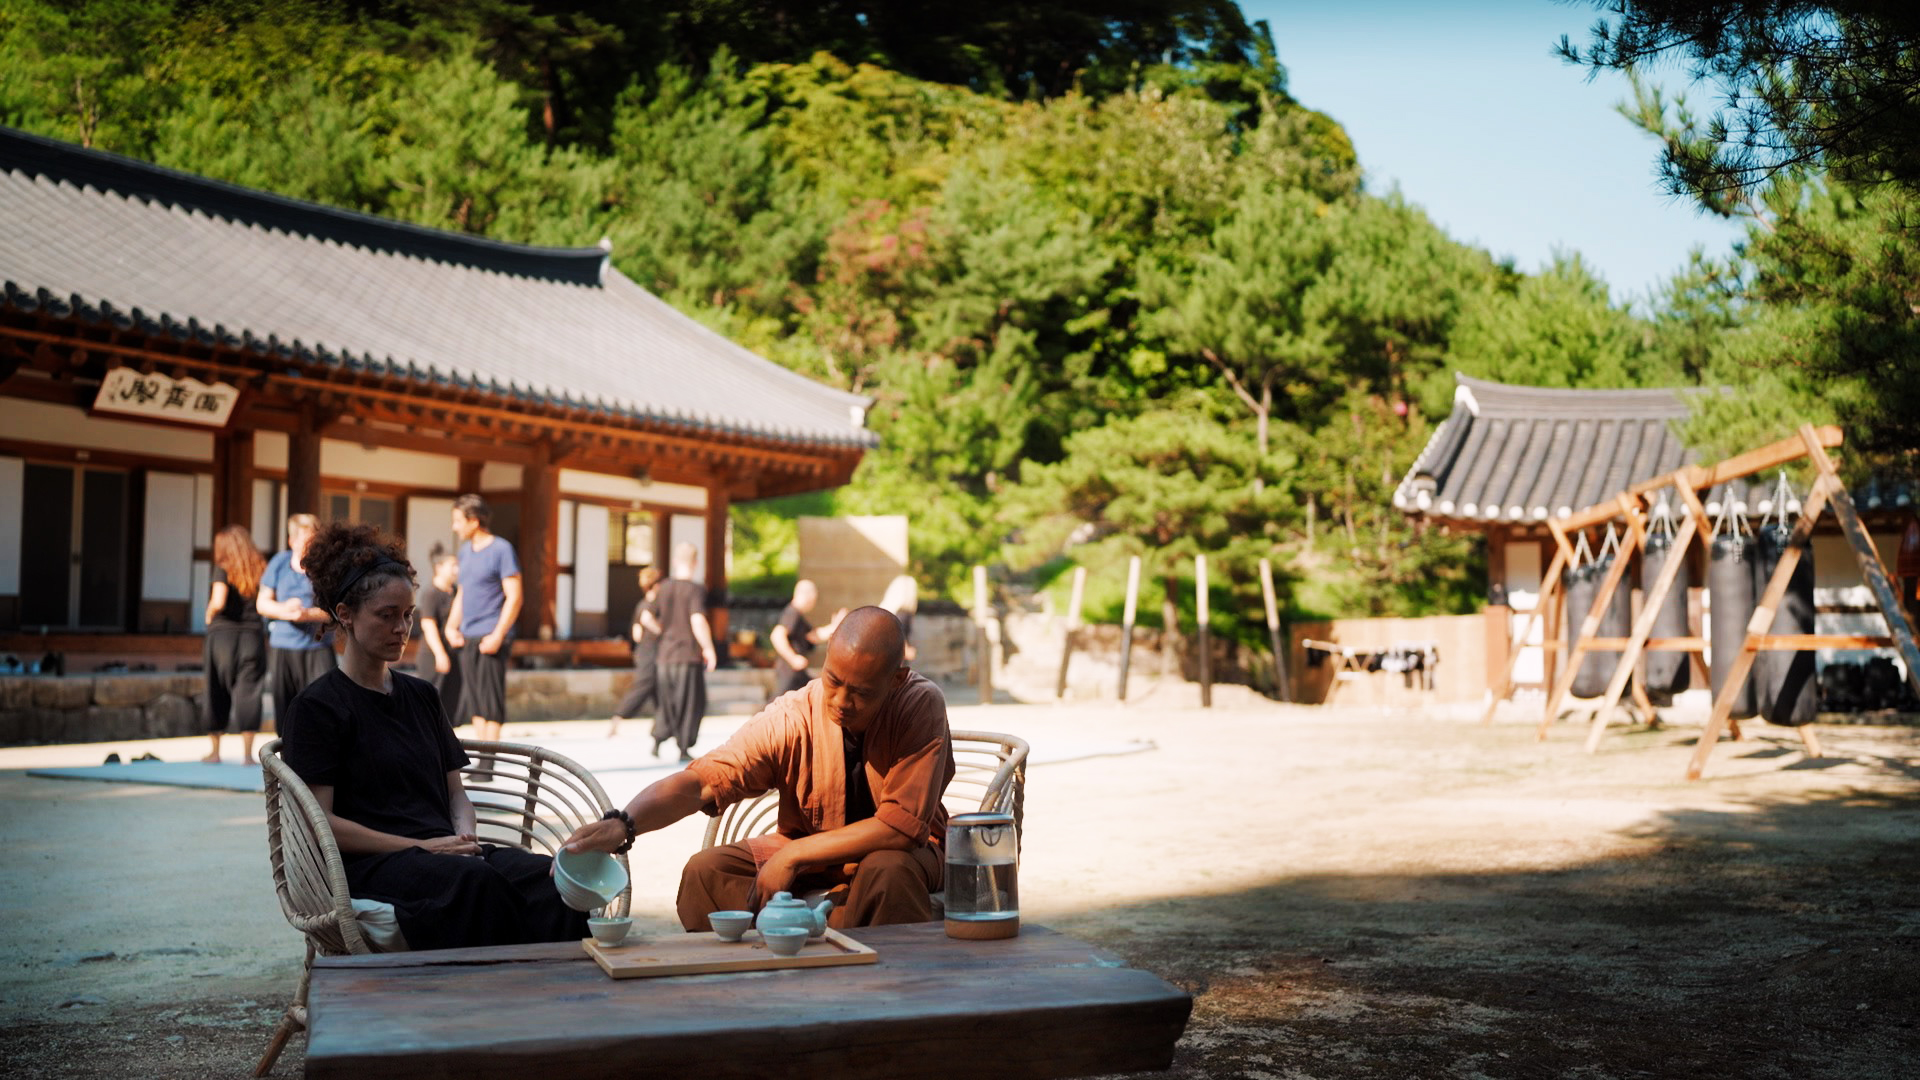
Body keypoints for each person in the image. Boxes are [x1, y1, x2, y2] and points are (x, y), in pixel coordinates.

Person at [279, 522, 587, 951]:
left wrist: (464, 838)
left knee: (548, 877)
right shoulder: (318, 708)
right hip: (373, 863)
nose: (401, 628)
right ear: (345, 614)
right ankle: (485, 1002)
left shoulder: (421, 695)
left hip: (442, 852)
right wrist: (421, 847)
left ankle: (557, 1001)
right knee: (474, 884)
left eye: (407, 615)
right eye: (386, 615)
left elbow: (456, 793)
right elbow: (319, 823)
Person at [563, 607, 955, 931]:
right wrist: (624, 824)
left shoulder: (919, 704)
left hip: (904, 854)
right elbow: (701, 781)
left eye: (862, 692)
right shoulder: (793, 715)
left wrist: (793, 857)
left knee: (887, 872)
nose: (841, 701)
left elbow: (900, 828)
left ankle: (855, 969)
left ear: (896, 680)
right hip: (813, 853)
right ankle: (813, 936)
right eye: (833, 680)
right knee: (706, 872)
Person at [443, 495, 521, 745]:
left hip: (491, 634)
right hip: (469, 634)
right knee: (475, 699)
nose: (454, 527)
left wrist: (498, 635)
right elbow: (462, 593)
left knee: (491, 699)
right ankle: (482, 758)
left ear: (473, 521)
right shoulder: (465, 553)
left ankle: (488, 761)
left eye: (457, 521)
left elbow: (515, 596)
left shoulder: (501, 549)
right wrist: (451, 626)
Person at [258, 513, 335, 725]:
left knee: (322, 709)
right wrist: (284, 610)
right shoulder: (279, 563)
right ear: (292, 541)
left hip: (317, 647)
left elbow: (337, 610)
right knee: (285, 713)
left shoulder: (326, 567)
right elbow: (262, 603)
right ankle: (286, 757)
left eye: (315, 540)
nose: (311, 546)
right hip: (283, 647)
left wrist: (307, 614)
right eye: (305, 540)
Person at [202, 524, 268, 764]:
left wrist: (208, 614)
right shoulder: (260, 568)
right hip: (252, 636)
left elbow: (218, 601)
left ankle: (216, 752)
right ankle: (248, 755)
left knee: (216, 689)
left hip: (222, 637)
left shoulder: (222, 568)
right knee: (249, 691)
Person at [653, 542, 717, 762]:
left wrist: (663, 634)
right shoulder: (695, 589)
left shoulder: (663, 587)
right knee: (690, 702)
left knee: (666, 701)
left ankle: (657, 741)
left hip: (664, 655)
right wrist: (708, 648)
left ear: (674, 561)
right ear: (695, 563)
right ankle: (683, 747)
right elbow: (697, 619)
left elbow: (650, 617)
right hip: (687, 655)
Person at [608, 566, 664, 741]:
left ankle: (660, 728)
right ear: (655, 585)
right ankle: (617, 719)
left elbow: (636, 633)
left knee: (660, 691)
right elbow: (646, 622)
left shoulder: (644, 604)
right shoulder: (650, 605)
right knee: (643, 686)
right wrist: (663, 632)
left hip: (644, 651)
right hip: (649, 653)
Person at [769, 579, 844, 698]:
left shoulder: (798, 616)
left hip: (797, 672)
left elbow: (813, 636)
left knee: (815, 694)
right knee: (778, 704)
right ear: (807, 595)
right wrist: (793, 658)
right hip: (788, 671)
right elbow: (776, 636)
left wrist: (833, 627)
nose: (813, 603)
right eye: (813, 599)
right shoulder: (792, 613)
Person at [415, 549, 462, 727]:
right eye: (452, 566)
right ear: (439, 567)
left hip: (454, 654)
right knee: (431, 703)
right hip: (432, 655)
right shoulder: (431, 593)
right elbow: (428, 625)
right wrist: (440, 654)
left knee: (451, 706)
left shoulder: (457, 592)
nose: (456, 570)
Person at [880, 573, 919, 663]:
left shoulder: (886, 613)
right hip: (895, 661)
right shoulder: (903, 614)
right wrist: (907, 649)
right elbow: (897, 634)